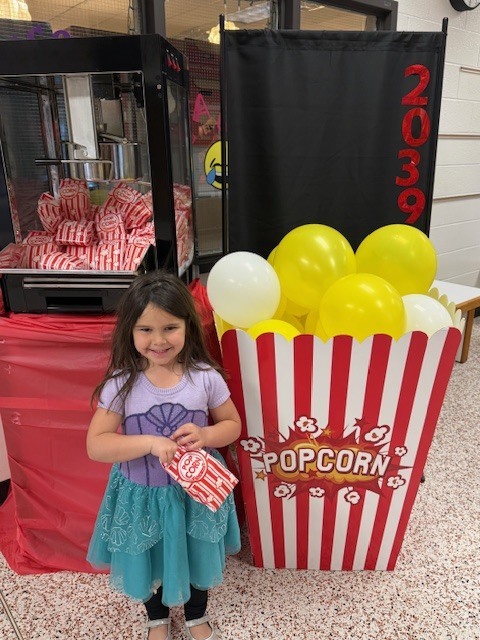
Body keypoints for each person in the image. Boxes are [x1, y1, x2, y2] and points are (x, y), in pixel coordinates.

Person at [86, 271, 241, 640]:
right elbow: (97, 445)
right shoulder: (122, 383)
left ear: (188, 326)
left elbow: (232, 425)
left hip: (197, 495)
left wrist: (205, 434)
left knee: (198, 552)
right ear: (130, 331)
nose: (158, 340)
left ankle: (195, 615)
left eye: (169, 327)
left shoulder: (205, 378)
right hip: (142, 496)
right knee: (148, 554)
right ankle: (156, 617)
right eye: (146, 330)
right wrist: (149, 442)